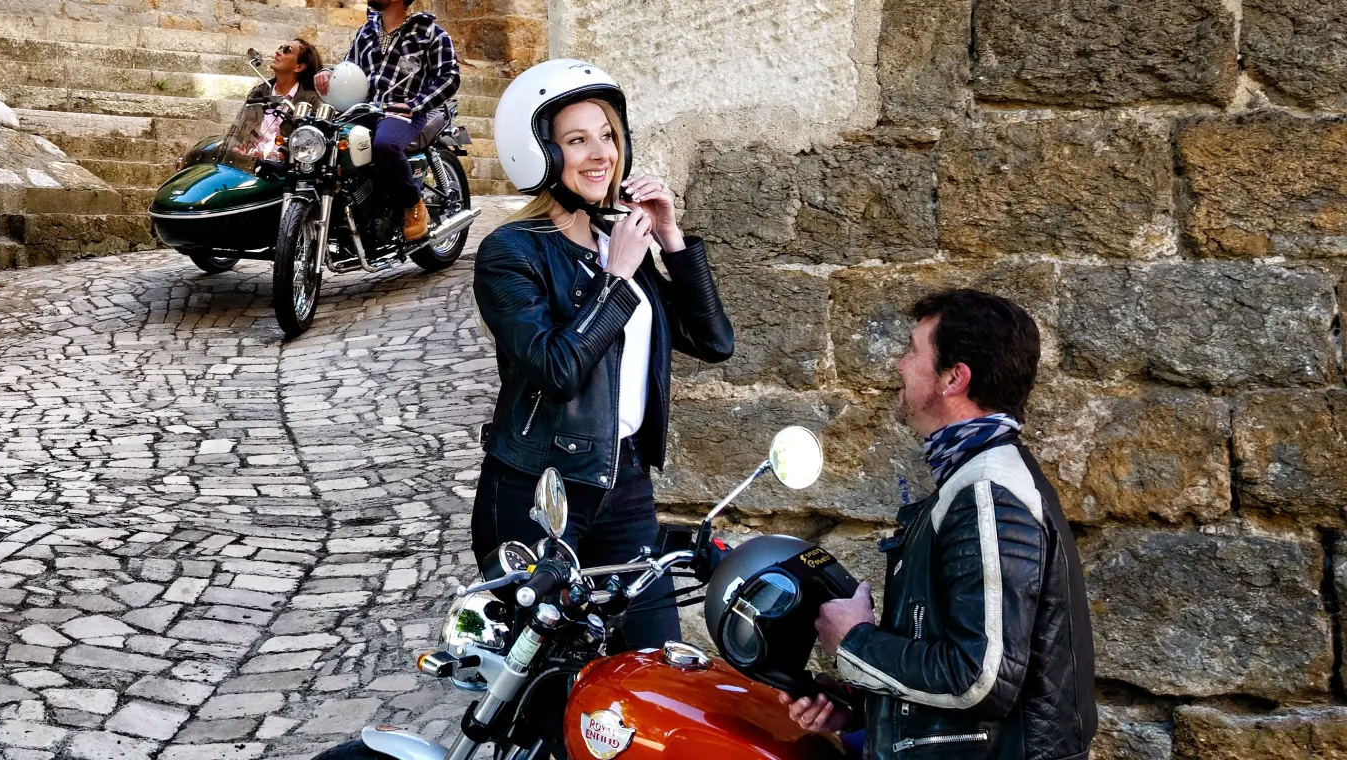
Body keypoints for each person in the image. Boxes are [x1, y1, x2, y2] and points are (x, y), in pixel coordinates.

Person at [470, 59, 734, 651]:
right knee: (545, 671)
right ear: (539, 153)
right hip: (542, 492)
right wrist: (615, 279)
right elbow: (557, 369)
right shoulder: (510, 252)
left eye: (608, 136)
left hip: (626, 483)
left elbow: (715, 342)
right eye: (576, 140)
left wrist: (673, 240)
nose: (601, 154)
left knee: (649, 659)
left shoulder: (616, 241)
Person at [786, 290, 1096, 760]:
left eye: (913, 351)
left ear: (954, 377)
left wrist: (855, 644)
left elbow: (979, 680)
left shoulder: (989, 491)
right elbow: (956, 664)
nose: (900, 365)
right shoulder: (973, 480)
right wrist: (862, 705)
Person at [315, 0, 459, 241]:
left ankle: (413, 205)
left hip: (403, 111)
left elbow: (449, 77)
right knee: (322, 139)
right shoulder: (366, 31)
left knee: (384, 145)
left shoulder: (430, 34)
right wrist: (328, 73)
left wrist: (417, 104)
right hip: (363, 109)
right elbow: (350, 67)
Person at [224, 38, 323, 170]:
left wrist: (274, 156)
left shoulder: (310, 100)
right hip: (246, 167)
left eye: (287, 51)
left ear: (299, 67)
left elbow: (308, 146)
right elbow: (236, 129)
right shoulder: (259, 92)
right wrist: (235, 149)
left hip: (281, 174)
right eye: (280, 48)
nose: (277, 52)